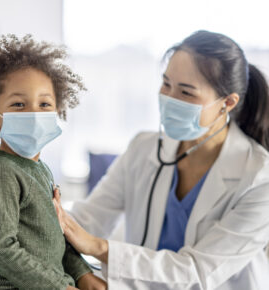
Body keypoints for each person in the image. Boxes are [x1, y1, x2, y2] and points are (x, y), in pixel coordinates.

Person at [52, 30, 269, 289]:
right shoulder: (143, 148)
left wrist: (99, 247)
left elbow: (198, 271)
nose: (169, 99)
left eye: (187, 93)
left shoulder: (259, 177)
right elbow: (88, 218)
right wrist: (43, 221)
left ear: (228, 103)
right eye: (166, 84)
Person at [0, 34, 106, 290]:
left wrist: (82, 273)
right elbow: (2, 250)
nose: (35, 113)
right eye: (18, 104)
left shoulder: (41, 170)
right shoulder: (0, 174)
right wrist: (60, 287)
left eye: (44, 103)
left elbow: (57, 235)